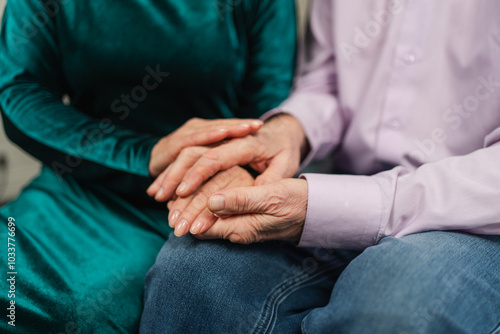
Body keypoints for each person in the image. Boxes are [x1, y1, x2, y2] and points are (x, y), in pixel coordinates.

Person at [141, 0, 500, 333]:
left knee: (392, 304)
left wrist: (323, 205)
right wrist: (288, 132)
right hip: (346, 185)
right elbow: (326, 80)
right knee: (192, 272)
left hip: (474, 221)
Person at [0, 0, 296, 332]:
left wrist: (226, 169)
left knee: (86, 311)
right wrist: (143, 154)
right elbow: (20, 92)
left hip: (197, 198)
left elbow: (270, 116)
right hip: (78, 179)